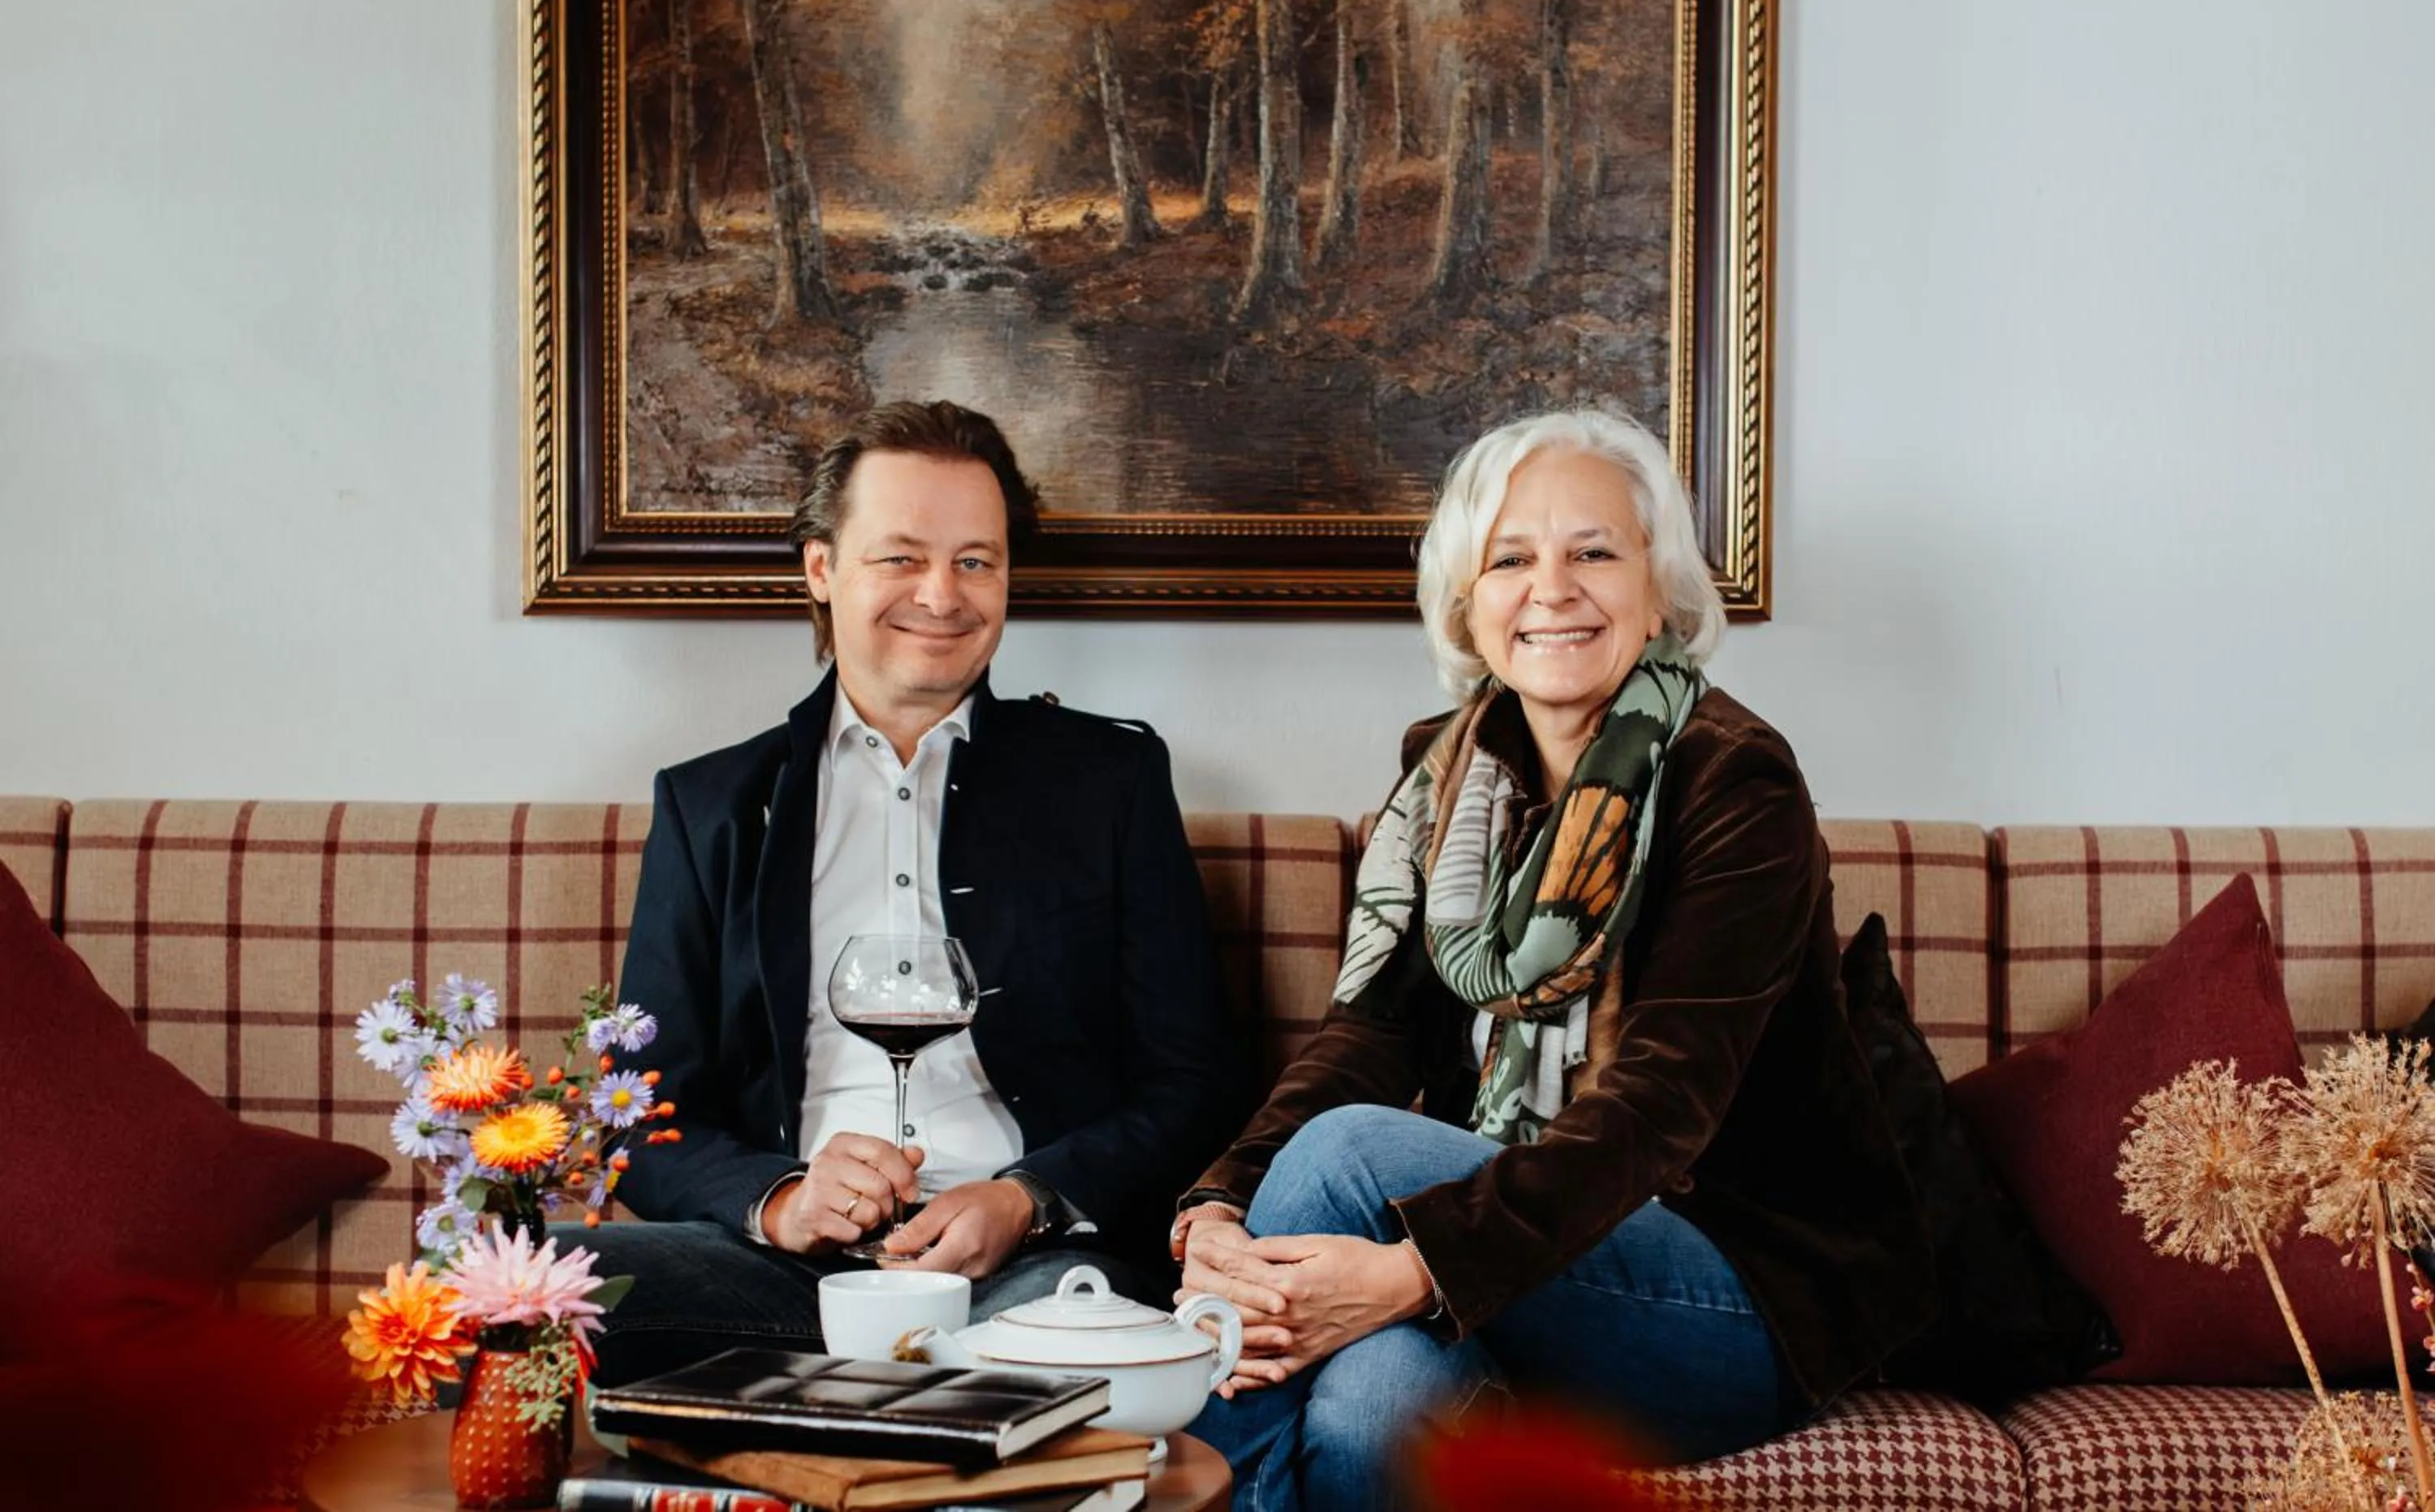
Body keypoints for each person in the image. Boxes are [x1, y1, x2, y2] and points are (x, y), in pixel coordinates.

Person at [1174, 410, 1933, 1510]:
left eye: (1595, 551)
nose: (1553, 586)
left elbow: (1656, 1105)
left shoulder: (1735, 782)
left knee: (1344, 1156)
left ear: (1660, 588)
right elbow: (1370, 1035)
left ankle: (1178, 1468)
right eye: (1512, 557)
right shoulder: (1443, 782)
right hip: (1518, 1271)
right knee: (1372, 1405)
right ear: (1466, 603)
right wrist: (1222, 1206)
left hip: (1736, 1302)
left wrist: (1414, 1267)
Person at [580, 400, 1249, 1385]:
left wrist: (1027, 1197)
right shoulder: (710, 805)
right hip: (777, 1269)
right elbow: (638, 1106)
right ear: (822, 569)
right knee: (507, 1288)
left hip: (1038, 1268)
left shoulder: (1111, 782)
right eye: (901, 556)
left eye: (976, 560)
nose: (943, 594)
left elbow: (1196, 1082)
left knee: (1033, 1361)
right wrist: (779, 1199)